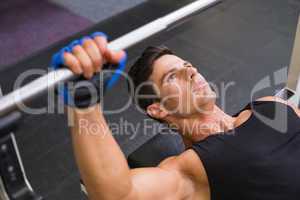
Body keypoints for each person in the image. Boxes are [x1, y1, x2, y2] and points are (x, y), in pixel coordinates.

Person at [58, 33, 300, 200]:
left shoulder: (269, 105)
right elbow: (120, 195)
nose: (191, 71)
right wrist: (86, 105)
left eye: (187, 65)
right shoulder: (194, 169)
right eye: (172, 76)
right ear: (158, 109)